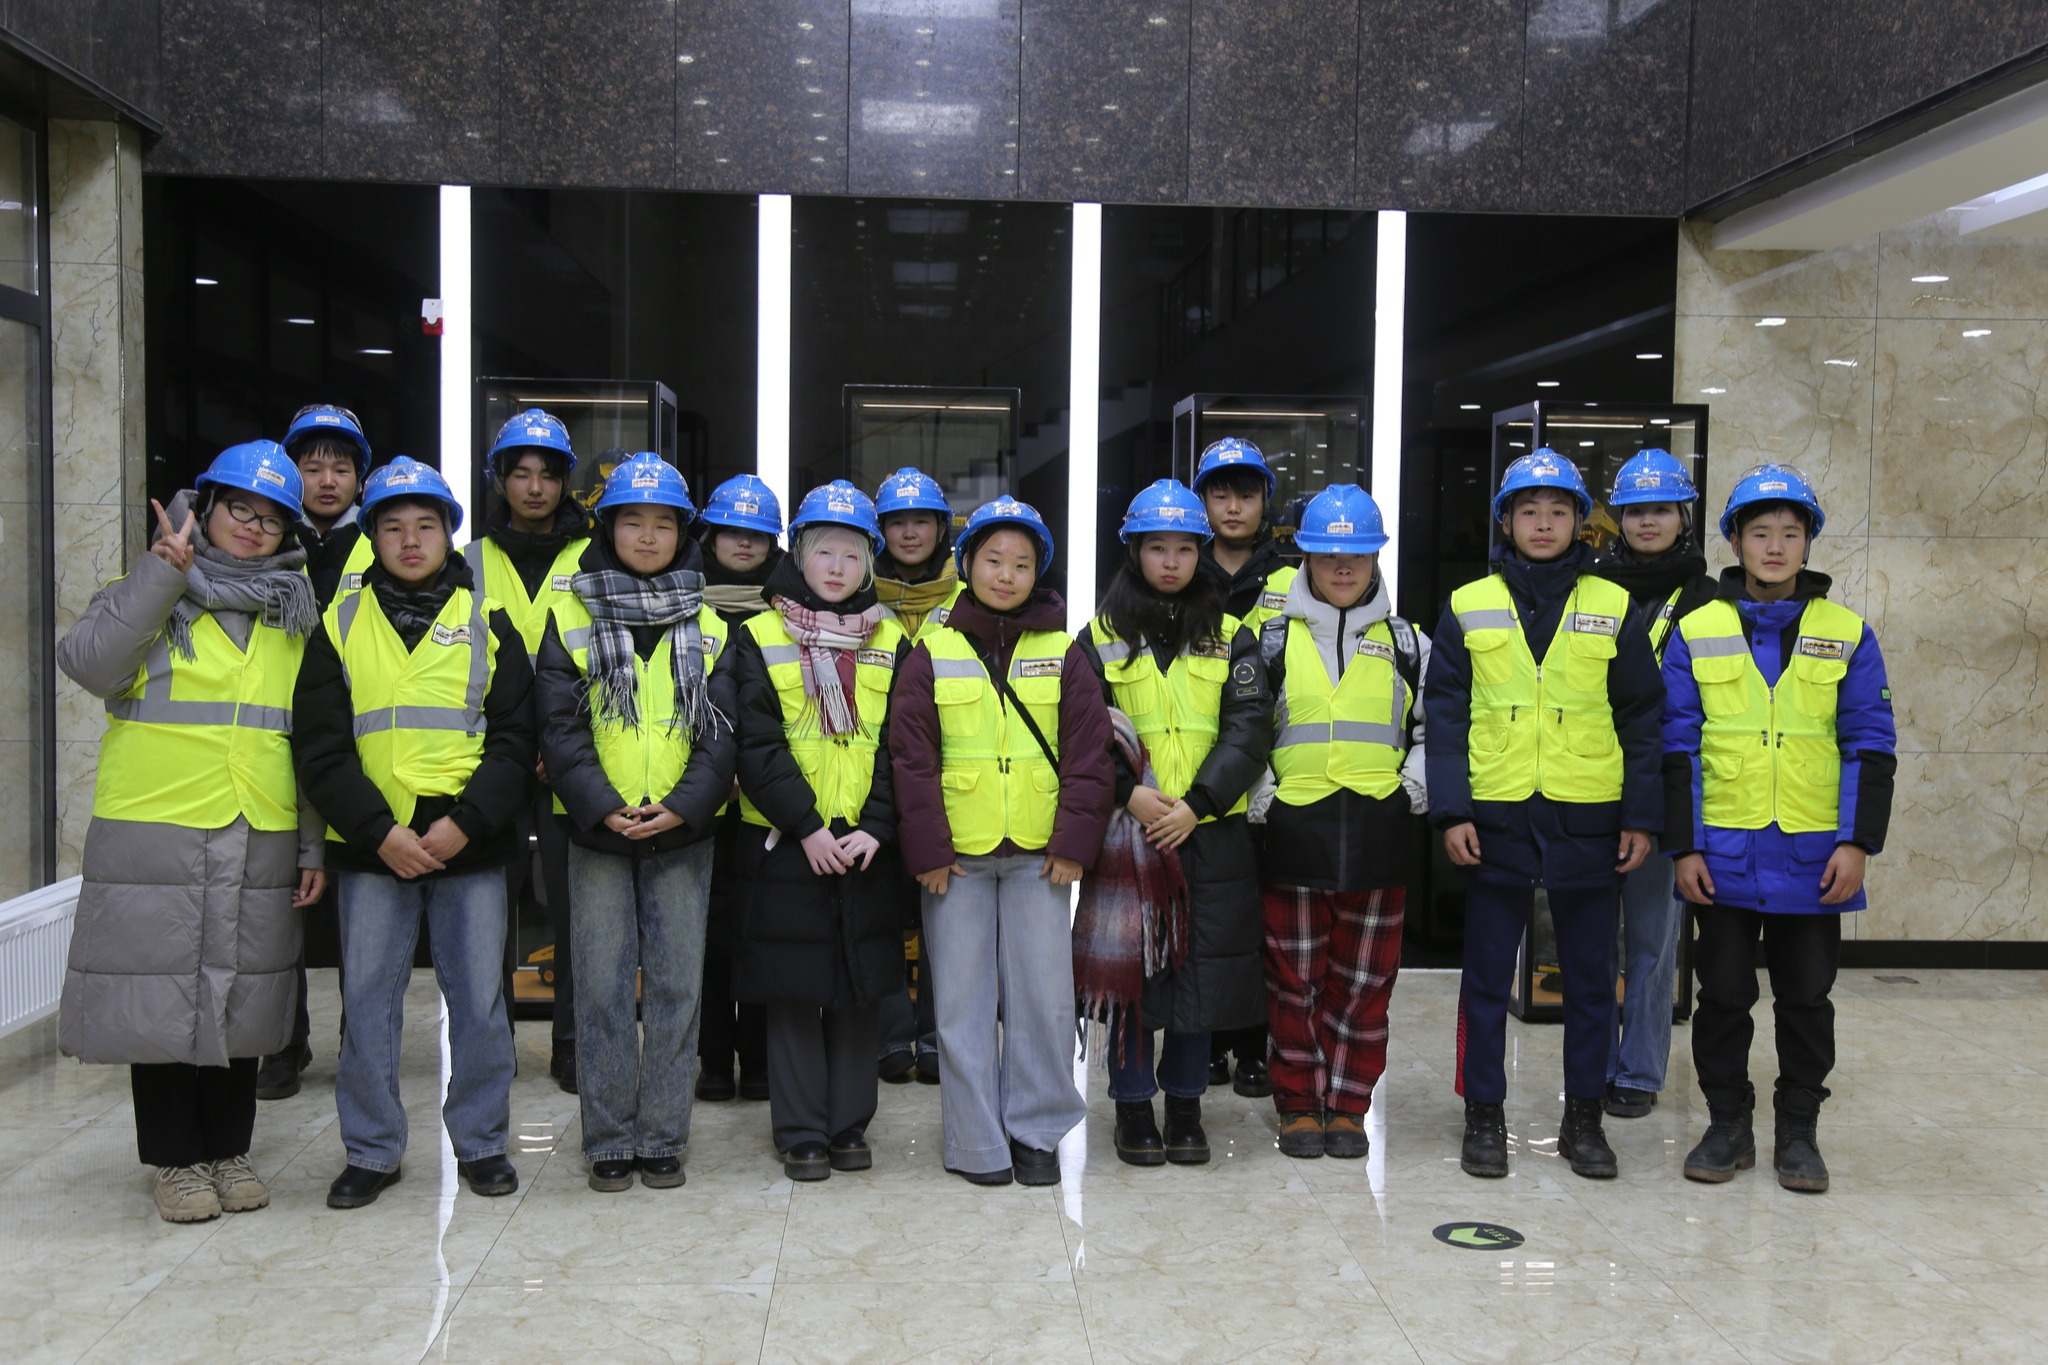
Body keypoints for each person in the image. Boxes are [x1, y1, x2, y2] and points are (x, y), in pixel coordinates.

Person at [57, 442, 325, 1222]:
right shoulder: (152, 591)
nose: (254, 526)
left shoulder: (292, 613)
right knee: (163, 996)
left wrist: (311, 842)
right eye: (241, 507)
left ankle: (229, 1147)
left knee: (243, 993)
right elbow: (90, 664)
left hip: (259, 824)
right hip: (157, 826)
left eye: (272, 518)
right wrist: (161, 575)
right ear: (205, 505)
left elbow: (304, 739)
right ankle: (176, 1161)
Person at [293, 456, 536, 1209]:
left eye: (425, 526)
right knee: (367, 1003)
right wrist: (377, 832)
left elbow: (516, 740)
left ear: (448, 534)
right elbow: (321, 747)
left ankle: (483, 1144)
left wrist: (467, 822)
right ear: (372, 536)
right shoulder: (338, 623)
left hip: (469, 843)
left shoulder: (489, 621)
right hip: (376, 847)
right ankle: (371, 1150)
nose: (409, 540)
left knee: (480, 1003)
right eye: (393, 527)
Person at [1425, 450, 1662, 1181]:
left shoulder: (1613, 604)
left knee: (1591, 978)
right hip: (1494, 813)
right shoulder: (1469, 603)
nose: (1543, 523)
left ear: (1579, 522)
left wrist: (1641, 817)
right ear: (1506, 520)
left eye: (1559, 511)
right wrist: (1451, 811)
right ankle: (1483, 1114)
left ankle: (1583, 1118)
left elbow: (1642, 717)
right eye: (1528, 510)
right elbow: (1444, 716)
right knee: (1485, 978)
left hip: (1589, 814)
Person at [1664, 464, 1895, 1194]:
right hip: (1723, 853)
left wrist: (1857, 843)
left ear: (1807, 543)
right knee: (1722, 996)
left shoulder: (1846, 632)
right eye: (1760, 532)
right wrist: (1685, 846)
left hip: (1813, 855)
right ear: (1734, 541)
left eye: (1789, 534)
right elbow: (1677, 747)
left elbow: (1871, 744)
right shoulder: (1697, 629)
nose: (1774, 546)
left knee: (1806, 998)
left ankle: (1799, 1130)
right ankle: (1726, 1123)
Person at [890, 496, 1114, 1185]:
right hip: (956, 859)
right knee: (959, 1005)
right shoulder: (932, 651)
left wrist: (1074, 843)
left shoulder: (1064, 653)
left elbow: (1089, 755)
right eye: (993, 560)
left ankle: (1037, 1133)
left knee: (1043, 1002)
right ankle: (976, 1142)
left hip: (1040, 858)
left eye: (1021, 563)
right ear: (967, 565)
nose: (1007, 575)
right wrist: (928, 852)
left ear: (1037, 571)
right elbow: (911, 759)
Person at [532, 453, 736, 1192]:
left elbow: (724, 733)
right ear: (608, 528)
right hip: (596, 830)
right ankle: (609, 1137)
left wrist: (682, 805)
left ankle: (663, 1135)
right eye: (632, 521)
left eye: (662, 524)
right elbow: (557, 726)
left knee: (679, 987)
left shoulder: (711, 622)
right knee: (601, 988)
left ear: (682, 534)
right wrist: (602, 805)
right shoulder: (569, 615)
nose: (647, 536)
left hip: (683, 832)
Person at [1076, 479, 1270, 1167]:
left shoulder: (1232, 635)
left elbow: (1250, 731)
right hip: (1128, 834)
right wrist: (1128, 793)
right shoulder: (1097, 639)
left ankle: (1186, 1105)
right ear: (1133, 551)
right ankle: (1132, 1106)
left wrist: (1198, 804)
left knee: (1198, 978)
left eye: (1184, 549)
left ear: (1200, 554)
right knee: (1133, 977)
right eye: (1157, 547)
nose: (1171, 561)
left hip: (1209, 831)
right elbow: (1081, 734)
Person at [728, 481, 907, 1180]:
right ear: (799, 554)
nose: (837, 567)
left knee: (860, 987)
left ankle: (848, 1125)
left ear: (869, 563)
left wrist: (879, 825)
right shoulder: (758, 635)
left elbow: (905, 746)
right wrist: (805, 825)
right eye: (824, 551)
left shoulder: (894, 640)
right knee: (794, 989)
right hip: (786, 842)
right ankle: (801, 1131)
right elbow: (754, 743)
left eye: (852, 554)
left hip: (864, 843)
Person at [1251, 485, 1426, 1159]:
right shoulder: (1268, 639)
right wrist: (1266, 797)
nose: (1343, 567)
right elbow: (1243, 731)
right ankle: (1299, 1103)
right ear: (1306, 556)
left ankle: (1349, 1106)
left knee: (1365, 983)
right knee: (1293, 981)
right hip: (1294, 832)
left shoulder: (1409, 642)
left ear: (1377, 557)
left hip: (1379, 831)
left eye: (1357, 554)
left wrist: (1412, 790)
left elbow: (1433, 729)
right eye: (1328, 555)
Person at [1590, 449, 1719, 1120]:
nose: (1647, 522)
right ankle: (1590, 1064)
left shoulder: (1709, 600)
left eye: (1661, 510)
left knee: (1651, 939)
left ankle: (1638, 1069)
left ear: (1683, 518)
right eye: (1635, 510)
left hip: (1666, 788)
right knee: (1589, 941)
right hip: (1590, 780)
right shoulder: (1589, 588)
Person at [466, 408, 592, 1094]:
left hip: (572, 756)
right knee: (490, 908)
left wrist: (561, 744)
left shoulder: (595, 554)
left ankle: (570, 1042)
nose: (535, 487)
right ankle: (495, 1043)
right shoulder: (468, 560)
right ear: (499, 480)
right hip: (491, 757)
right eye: (520, 473)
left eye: (548, 474)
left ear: (565, 481)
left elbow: (611, 659)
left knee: (576, 908)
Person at [257, 402, 374, 1103]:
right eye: (311, 466)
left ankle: (359, 1043)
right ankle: (282, 1042)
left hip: (357, 747)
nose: (326, 480)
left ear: (361, 477)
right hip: (275, 740)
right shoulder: (266, 536)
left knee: (359, 909)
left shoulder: (378, 541)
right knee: (281, 908)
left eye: (340, 467)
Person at [1192, 437, 1291, 1097]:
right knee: (1206, 915)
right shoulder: (1175, 567)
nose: (1233, 506)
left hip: (1276, 773)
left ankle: (1255, 1046)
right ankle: (1204, 1041)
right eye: (1220, 493)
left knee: (1261, 917)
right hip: (1198, 772)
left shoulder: (1294, 579)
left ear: (1264, 502)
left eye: (1246, 494)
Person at [694, 473, 784, 1104]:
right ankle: (712, 1062)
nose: (744, 543)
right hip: (695, 792)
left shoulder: (792, 607)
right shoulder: (678, 598)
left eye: (757, 533)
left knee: (759, 925)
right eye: (732, 531)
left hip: (764, 794)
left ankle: (757, 1060)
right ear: (711, 537)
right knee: (703, 933)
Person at [869, 466, 957, 1086]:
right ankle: (889, 1035)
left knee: (943, 913)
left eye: (920, 521)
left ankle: (935, 1037)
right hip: (870, 773)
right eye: (896, 522)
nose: (908, 533)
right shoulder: (855, 595)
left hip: (948, 777)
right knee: (878, 909)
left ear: (941, 528)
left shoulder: (968, 595)